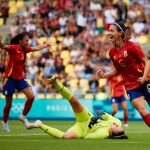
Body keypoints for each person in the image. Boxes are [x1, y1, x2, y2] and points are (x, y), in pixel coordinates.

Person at [27, 74, 128, 139]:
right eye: (119, 126)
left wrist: (95, 127)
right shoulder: (116, 122)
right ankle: (56, 83)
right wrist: (98, 116)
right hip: (86, 117)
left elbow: (87, 137)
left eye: (117, 128)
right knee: (74, 101)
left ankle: (39, 124)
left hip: (82, 129)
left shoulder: (103, 134)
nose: (117, 125)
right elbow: (104, 115)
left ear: (111, 134)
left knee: (66, 137)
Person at [96, 22, 150, 127]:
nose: (108, 33)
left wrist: (144, 77)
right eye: (109, 31)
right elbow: (117, 71)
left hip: (145, 81)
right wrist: (104, 75)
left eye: (112, 31)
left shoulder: (132, 46)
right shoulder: (112, 53)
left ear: (120, 33)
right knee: (142, 110)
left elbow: (147, 62)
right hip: (131, 86)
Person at [0, 32, 52, 132]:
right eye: (26, 40)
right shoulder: (13, 48)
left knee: (31, 96)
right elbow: (3, 46)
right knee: (9, 105)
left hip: (20, 79)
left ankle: (23, 116)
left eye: (28, 40)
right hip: (9, 79)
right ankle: (5, 122)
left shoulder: (25, 49)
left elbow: (36, 48)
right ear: (20, 41)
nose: (28, 43)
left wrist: (46, 45)